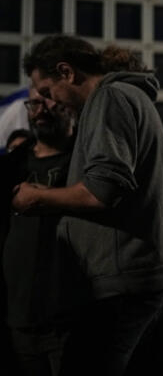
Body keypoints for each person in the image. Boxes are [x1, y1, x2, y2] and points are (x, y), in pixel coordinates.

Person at [15, 36, 163, 376]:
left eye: (46, 90)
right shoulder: (127, 97)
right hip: (131, 278)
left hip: (122, 281)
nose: (48, 101)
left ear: (66, 72)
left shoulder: (109, 98)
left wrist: (37, 197)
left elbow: (101, 191)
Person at [1, 88, 75, 376]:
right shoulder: (10, 166)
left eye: (49, 99)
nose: (40, 109)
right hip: (17, 318)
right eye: (34, 102)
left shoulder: (89, 163)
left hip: (72, 319)